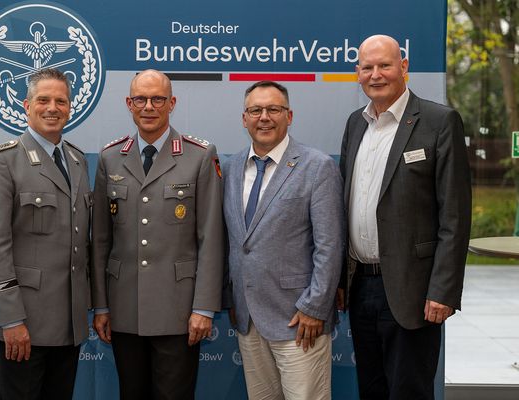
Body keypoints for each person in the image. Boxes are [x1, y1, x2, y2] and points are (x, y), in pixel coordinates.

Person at [338, 34, 472, 399]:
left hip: (414, 291)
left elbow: (455, 217)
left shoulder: (438, 121)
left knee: (409, 391)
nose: (376, 75)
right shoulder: (356, 124)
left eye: (384, 65)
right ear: (358, 73)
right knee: (372, 389)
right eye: (367, 67)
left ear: (404, 67)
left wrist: (443, 291)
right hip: (361, 285)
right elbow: (346, 203)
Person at [91, 69, 224, 400]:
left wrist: (204, 308)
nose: (148, 106)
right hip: (124, 309)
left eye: (158, 99)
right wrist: (101, 306)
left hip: (179, 311)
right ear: (129, 103)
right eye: (141, 99)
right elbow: (101, 241)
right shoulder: (110, 157)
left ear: (172, 103)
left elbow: (211, 237)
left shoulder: (199, 155)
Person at [0, 68, 92, 399]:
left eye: (61, 101)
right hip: (21, 325)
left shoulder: (77, 161)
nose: (52, 107)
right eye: (43, 100)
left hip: (66, 327)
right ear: (27, 106)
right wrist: (10, 321)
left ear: (70, 108)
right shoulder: (3, 161)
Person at [223, 80, 344, 400]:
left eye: (273, 109)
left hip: (299, 319)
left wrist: (315, 307)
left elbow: (330, 245)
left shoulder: (317, 167)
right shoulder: (231, 167)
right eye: (256, 110)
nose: (264, 117)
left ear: (289, 116)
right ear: (244, 118)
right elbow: (235, 243)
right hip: (248, 319)